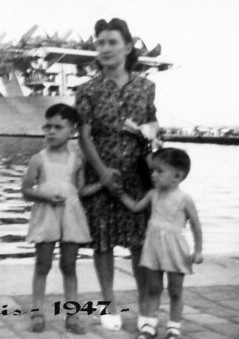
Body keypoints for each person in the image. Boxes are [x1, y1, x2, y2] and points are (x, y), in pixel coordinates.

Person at [76, 17, 157, 331]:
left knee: (139, 242)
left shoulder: (146, 86)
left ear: (127, 47)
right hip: (102, 168)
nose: (105, 48)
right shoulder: (87, 89)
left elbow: (153, 126)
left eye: (112, 42)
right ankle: (107, 304)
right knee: (103, 242)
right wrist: (102, 174)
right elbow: (84, 137)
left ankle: (143, 303)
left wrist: (152, 144)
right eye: (100, 43)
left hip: (138, 171)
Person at [22, 103, 103, 334]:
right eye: (47, 126)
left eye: (58, 127)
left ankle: (72, 314)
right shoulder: (38, 159)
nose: (51, 131)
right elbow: (26, 190)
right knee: (43, 263)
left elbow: (80, 190)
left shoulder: (77, 160)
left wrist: (102, 184)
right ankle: (37, 312)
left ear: (72, 131)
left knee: (69, 265)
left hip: (71, 216)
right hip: (46, 215)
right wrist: (44, 196)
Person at [117, 148, 203, 339]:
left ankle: (174, 327)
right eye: (153, 170)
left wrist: (198, 250)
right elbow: (135, 207)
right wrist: (120, 194)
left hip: (175, 250)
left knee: (175, 290)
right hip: (153, 248)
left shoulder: (184, 199)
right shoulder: (153, 194)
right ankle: (149, 325)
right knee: (153, 288)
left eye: (159, 171)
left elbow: (196, 225)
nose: (153, 175)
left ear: (177, 176)